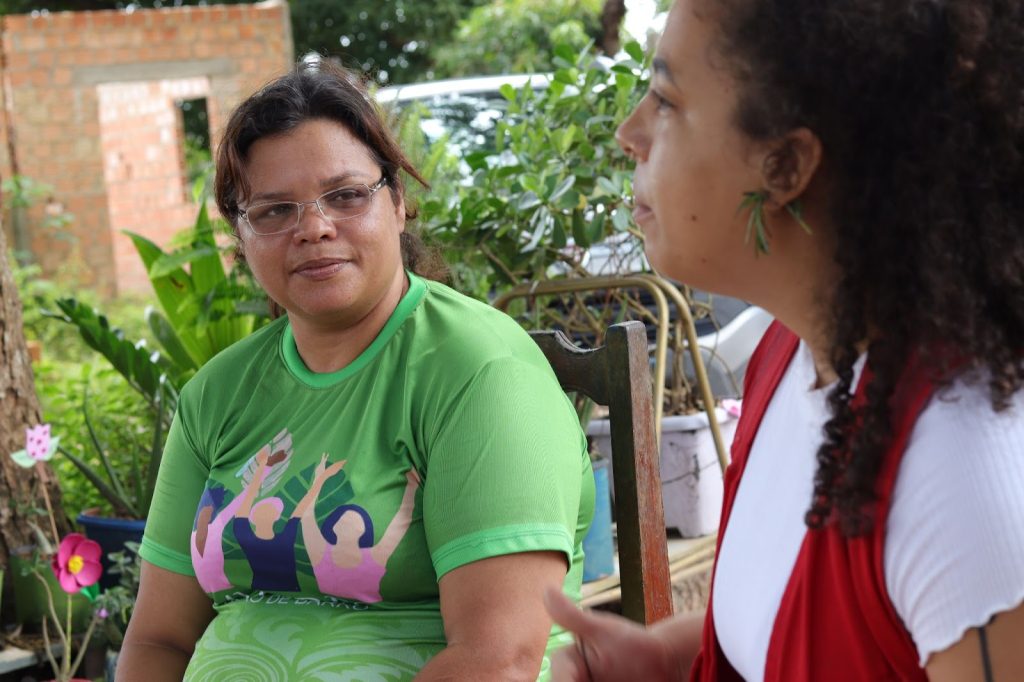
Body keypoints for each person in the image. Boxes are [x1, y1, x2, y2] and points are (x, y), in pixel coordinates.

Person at [546, 0, 1024, 680]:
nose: (630, 132)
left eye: (667, 100)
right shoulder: (791, 353)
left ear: (786, 164)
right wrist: (672, 659)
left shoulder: (967, 484)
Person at [118, 60, 594, 681]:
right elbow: (158, 641)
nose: (313, 228)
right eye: (274, 210)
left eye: (345, 195)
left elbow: (497, 659)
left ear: (397, 203)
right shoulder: (219, 393)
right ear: (241, 236)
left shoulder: (480, 374)